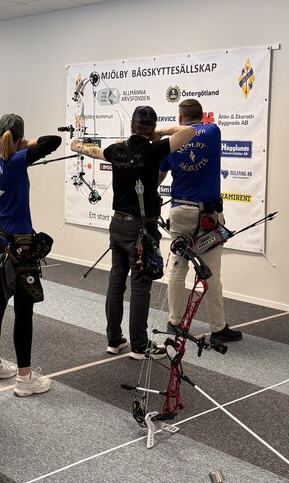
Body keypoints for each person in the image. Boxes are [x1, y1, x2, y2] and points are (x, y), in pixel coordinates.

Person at [71, 106, 197, 360]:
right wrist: (159, 133)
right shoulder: (154, 149)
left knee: (116, 281)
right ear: (152, 128)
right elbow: (190, 131)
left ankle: (114, 339)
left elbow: (91, 151)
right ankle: (139, 345)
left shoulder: (117, 150)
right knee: (140, 286)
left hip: (118, 225)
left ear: (132, 125)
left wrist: (77, 146)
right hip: (141, 229)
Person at [0, 115, 61, 396]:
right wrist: (25, 144)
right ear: (19, 138)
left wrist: (10, 145)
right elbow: (53, 141)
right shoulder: (18, 159)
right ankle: (24, 379)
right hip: (21, 246)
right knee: (23, 309)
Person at [158, 98, 242, 345]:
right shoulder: (212, 131)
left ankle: (174, 322)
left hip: (181, 211)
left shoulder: (171, 143)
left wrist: (157, 136)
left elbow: (157, 179)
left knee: (178, 268)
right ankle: (218, 328)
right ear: (203, 116)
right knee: (211, 273)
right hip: (207, 215)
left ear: (180, 117)